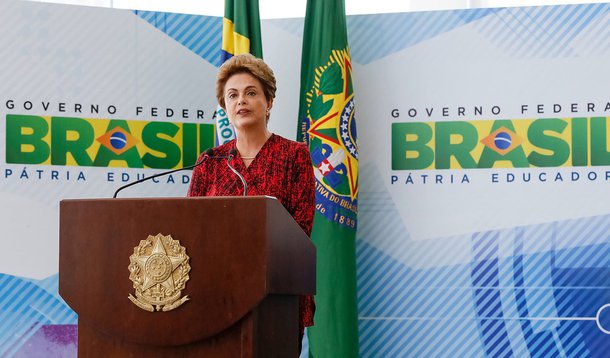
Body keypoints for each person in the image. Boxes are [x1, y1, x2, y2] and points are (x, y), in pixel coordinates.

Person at [187, 53, 315, 343]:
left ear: (268, 102)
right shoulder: (209, 161)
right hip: (215, 297)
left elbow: (301, 229)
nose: (241, 100)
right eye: (232, 95)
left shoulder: (294, 155)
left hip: (275, 295)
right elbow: (191, 228)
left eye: (251, 93)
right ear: (225, 107)